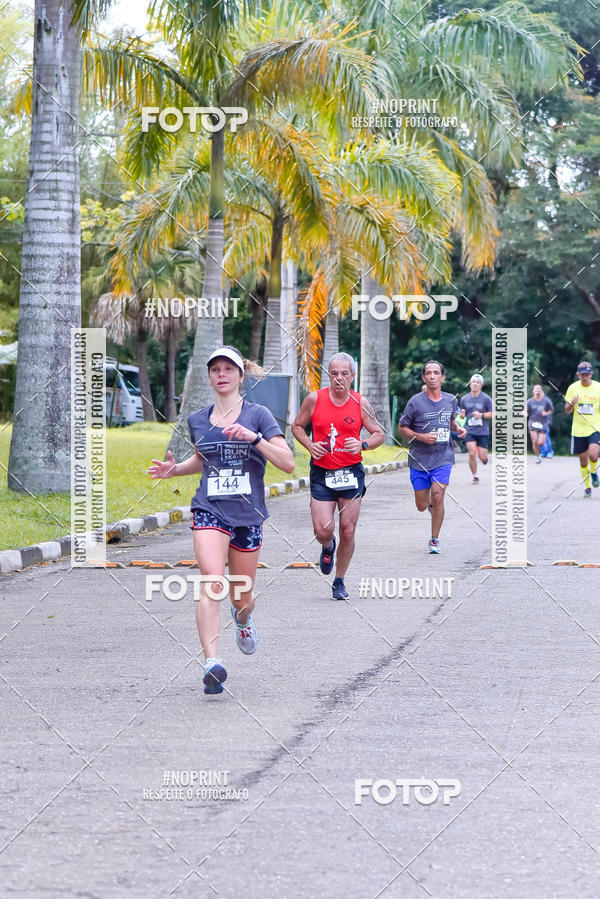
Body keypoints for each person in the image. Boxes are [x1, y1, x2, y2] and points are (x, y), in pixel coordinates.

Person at [148, 346, 294, 695]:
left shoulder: (259, 415)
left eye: (229, 368)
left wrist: (254, 439)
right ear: (210, 377)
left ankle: (242, 620)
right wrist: (176, 470)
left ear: (241, 376)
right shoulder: (198, 419)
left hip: (247, 515)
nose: (222, 374)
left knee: (241, 597)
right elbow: (202, 459)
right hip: (209, 510)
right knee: (212, 581)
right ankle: (212, 662)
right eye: (216, 369)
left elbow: (287, 463)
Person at [291, 352, 384, 600]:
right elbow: (297, 426)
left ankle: (339, 580)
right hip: (322, 472)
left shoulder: (360, 402)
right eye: (334, 373)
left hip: (351, 473)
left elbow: (379, 434)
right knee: (323, 529)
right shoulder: (314, 399)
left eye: (344, 373)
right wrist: (310, 446)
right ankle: (327, 546)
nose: (339, 378)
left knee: (348, 530)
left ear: (353, 375)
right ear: (328, 376)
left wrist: (362, 445)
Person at [399, 360, 467, 553]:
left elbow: (451, 421)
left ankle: (434, 539)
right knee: (422, 505)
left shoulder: (450, 400)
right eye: (428, 373)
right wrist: (421, 437)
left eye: (436, 372)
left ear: (442, 377)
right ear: (424, 377)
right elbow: (402, 427)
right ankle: (431, 507)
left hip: (443, 456)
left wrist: (459, 429)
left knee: (438, 495)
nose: (432, 376)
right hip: (419, 459)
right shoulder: (415, 402)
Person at [564, 361, 600, 498]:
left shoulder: (598, 387)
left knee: (593, 454)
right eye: (582, 374)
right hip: (578, 430)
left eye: (587, 374)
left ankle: (594, 473)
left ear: (591, 374)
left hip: (595, 427)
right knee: (583, 461)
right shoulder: (573, 388)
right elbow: (566, 410)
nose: (585, 377)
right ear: (578, 375)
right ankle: (588, 487)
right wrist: (572, 403)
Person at [460, 374, 493, 484]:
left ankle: (484, 458)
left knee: (482, 457)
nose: (475, 384)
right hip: (469, 430)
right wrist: (462, 414)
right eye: (473, 382)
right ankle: (475, 476)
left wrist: (482, 415)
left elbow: (493, 414)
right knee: (472, 453)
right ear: (470, 384)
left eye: (477, 382)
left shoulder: (486, 399)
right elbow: (462, 415)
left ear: (481, 385)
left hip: (483, 431)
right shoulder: (464, 399)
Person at [527, 385, 553, 464]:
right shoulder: (530, 401)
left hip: (543, 424)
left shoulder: (546, 401)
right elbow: (527, 411)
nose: (537, 390)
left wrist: (546, 413)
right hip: (533, 423)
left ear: (541, 391)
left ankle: (542, 451)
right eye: (536, 389)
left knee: (541, 443)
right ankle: (538, 457)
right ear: (533, 391)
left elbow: (550, 410)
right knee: (534, 441)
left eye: (539, 389)